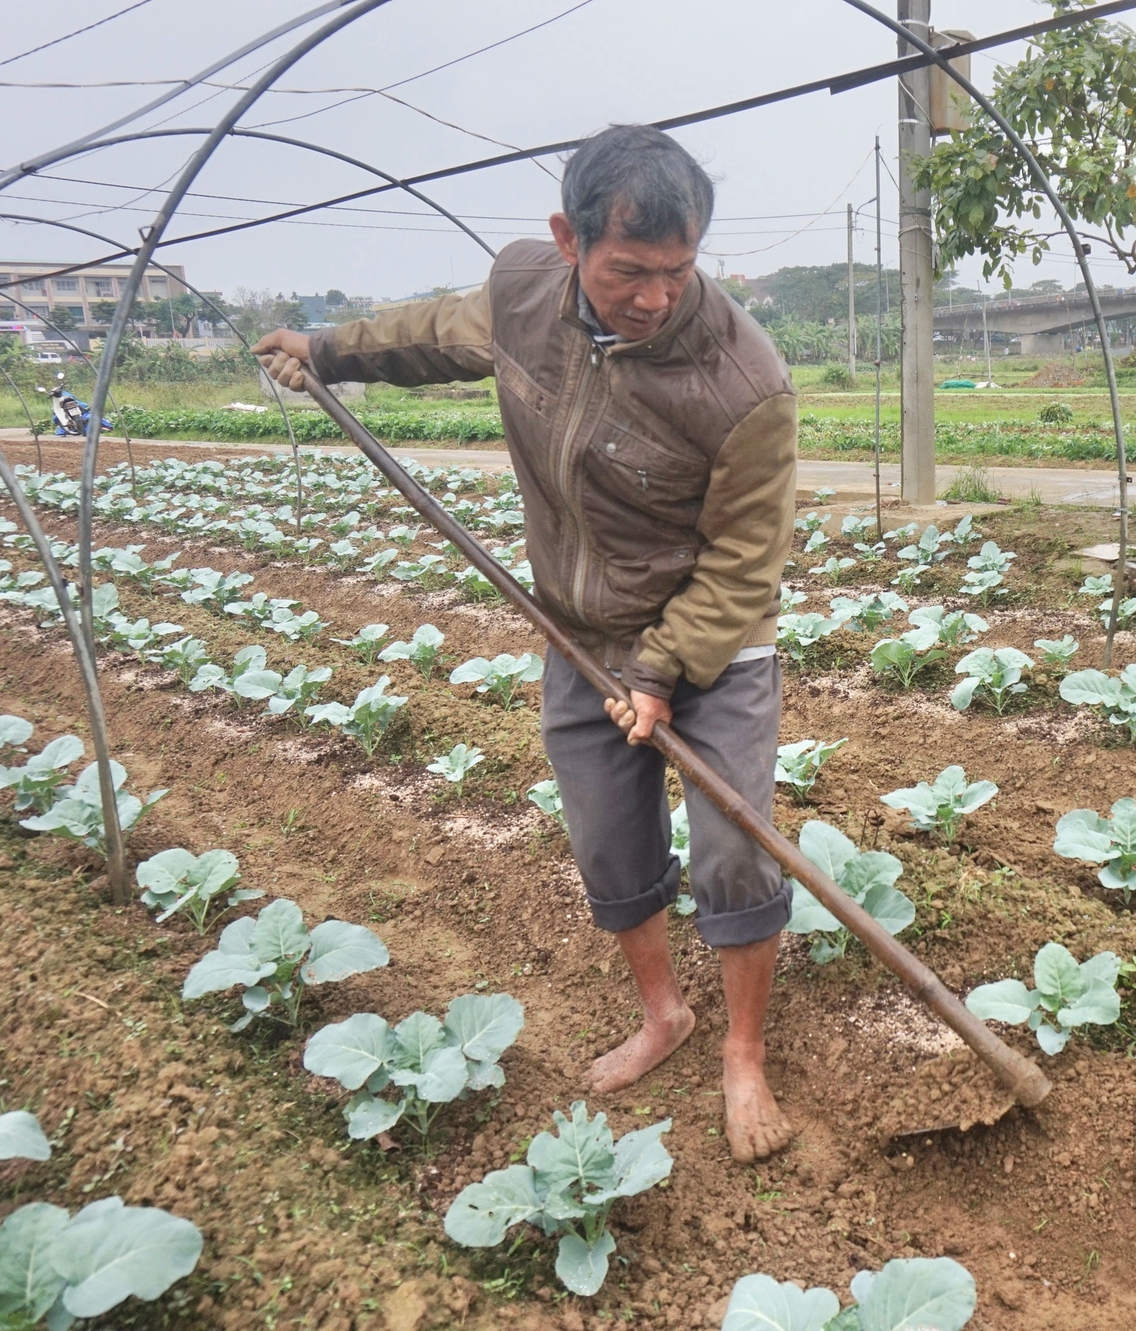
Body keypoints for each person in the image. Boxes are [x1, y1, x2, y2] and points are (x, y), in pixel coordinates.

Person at [254, 124, 799, 1163]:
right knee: (606, 837)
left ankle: (741, 1050)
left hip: (714, 640)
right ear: (567, 238)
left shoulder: (745, 383)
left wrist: (660, 672)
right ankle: (662, 1016)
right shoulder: (519, 293)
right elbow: (429, 332)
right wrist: (324, 350)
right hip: (579, 627)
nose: (651, 296)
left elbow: (741, 561)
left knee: (735, 849)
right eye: (626, 270)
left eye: (674, 274)